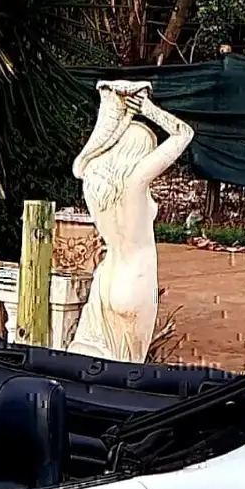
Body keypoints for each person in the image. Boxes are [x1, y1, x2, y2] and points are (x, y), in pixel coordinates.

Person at [66, 80, 192, 363]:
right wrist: (147, 109)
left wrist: (115, 117)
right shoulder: (135, 183)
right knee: (129, 370)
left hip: (107, 276)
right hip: (135, 278)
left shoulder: (94, 182)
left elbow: (83, 162)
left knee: (93, 361)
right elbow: (184, 134)